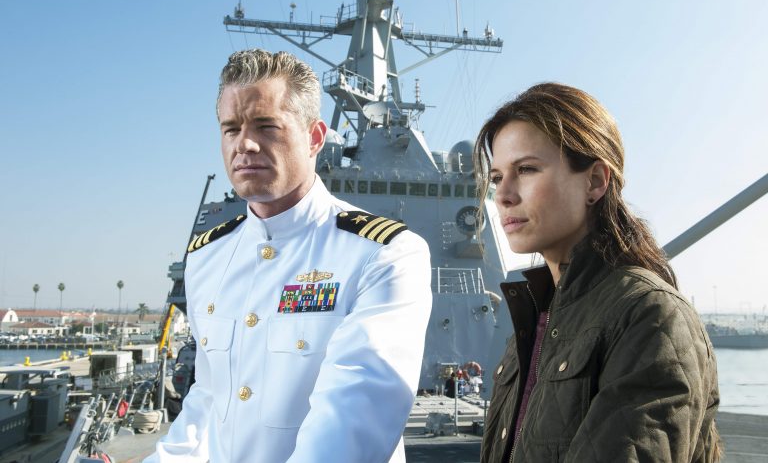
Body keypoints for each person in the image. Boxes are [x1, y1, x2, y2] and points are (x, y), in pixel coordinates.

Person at [146, 49, 432, 462]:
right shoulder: (207, 256)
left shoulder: (382, 255)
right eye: (231, 129)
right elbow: (208, 399)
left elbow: (352, 422)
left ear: (315, 138)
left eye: (266, 126)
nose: (244, 144)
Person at [473, 83, 720, 462]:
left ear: (595, 181)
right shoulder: (540, 315)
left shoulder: (649, 315)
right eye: (495, 178)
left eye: (526, 170)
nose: (503, 195)